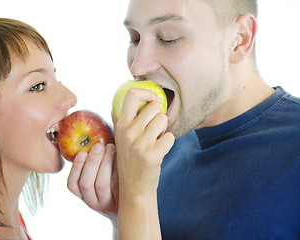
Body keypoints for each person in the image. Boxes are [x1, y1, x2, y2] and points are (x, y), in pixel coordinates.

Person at [68, 0, 300, 239]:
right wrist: (122, 214)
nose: (138, 65)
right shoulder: (154, 148)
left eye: (169, 38)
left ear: (239, 39)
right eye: (135, 38)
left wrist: (137, 193)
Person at [0, 18, 166, 240]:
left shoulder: (7, 221)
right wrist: (138, 194)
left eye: (55, 77)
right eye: (37, 86)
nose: (70, 98)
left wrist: (121, 217)